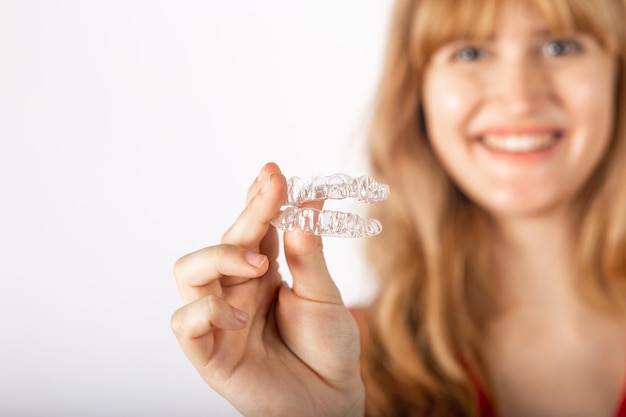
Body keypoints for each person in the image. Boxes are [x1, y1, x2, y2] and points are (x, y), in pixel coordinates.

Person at [170, 0, 626, 415]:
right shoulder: (329, 356)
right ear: (418, 94)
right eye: (469, 53)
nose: (520, 97)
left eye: (561, 46)